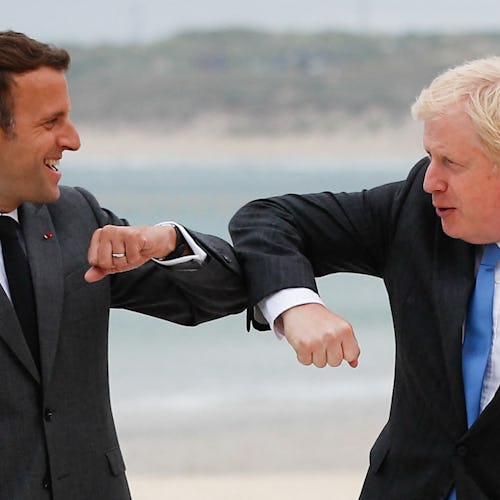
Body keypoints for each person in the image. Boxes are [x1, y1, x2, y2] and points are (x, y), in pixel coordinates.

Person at [229, 56, 500, 499]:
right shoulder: (418, 209)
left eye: (451, 162)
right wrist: (296, 305)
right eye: (429, 157)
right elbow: (268, 218)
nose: (432, 180)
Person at [0, 30, 246, 500]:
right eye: (51, 122)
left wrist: (166, 241)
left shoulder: (78, 217)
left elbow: (226, 293)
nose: (72, 140)